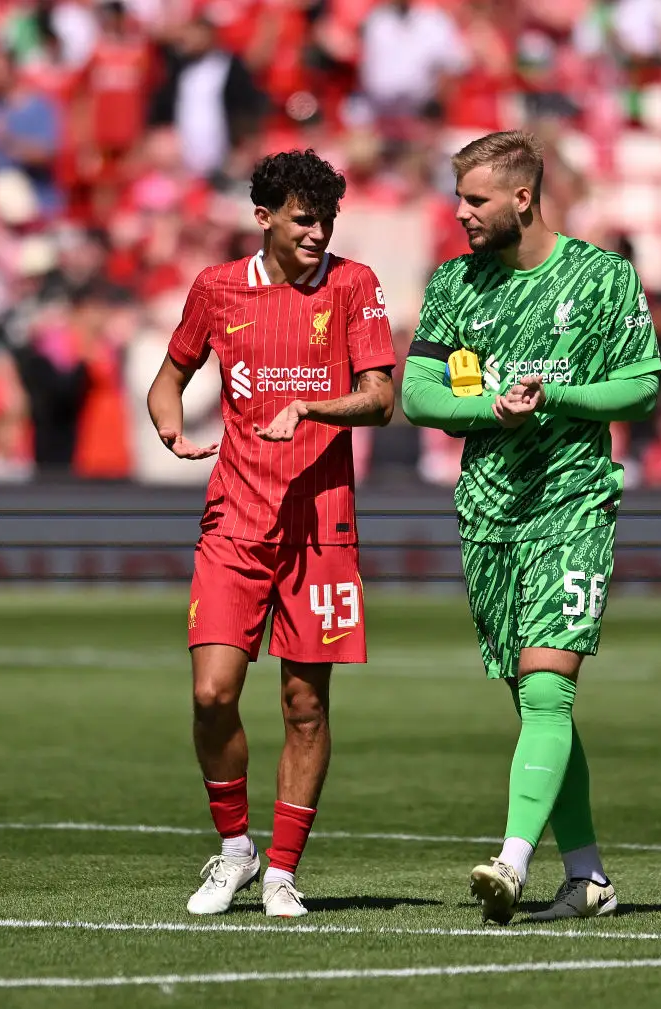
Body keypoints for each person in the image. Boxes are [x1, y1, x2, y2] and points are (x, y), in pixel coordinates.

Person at [401, 130, 661, 924]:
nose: (461, 213)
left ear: (522, 197)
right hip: (487, 512)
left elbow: (641, 386)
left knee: (548, 688)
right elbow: (417, 393)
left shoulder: (604, 276)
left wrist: (557, 397)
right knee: (537, 701)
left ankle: (511, 862)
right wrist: (493, 408)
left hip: (573, 503)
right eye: (458, 197)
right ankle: (587, 876)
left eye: (474, 199)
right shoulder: (454, 283)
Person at [146, 150, 395, 917]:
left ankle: (283, 869)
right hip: (235, 520)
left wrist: (314, 407)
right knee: (212, 691)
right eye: (303, 219)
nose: (318, 233)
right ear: (263, 217)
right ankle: (236, 850)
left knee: (304, 703)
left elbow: (381, 397)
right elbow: (169, 377)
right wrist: (169, 426)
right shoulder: (216, 288)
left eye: (327, 220)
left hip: (322, 528)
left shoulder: (354, 286)